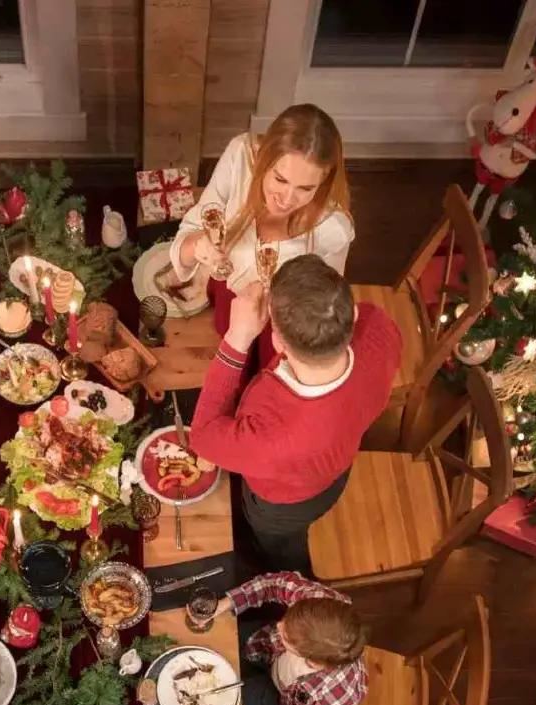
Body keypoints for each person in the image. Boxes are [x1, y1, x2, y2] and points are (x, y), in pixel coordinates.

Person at [188, 255, 401, 573]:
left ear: (276, 342)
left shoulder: (271, 436)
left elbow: (203, 438)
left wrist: (237, 339)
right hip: (335, 470)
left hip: (282, 506)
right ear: (352, 314)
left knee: (280, 547)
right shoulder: (379, 328)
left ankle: (284, 574)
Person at [167, 104, 353, 369]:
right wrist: (197, 246)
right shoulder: (240, 157)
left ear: (324, 182)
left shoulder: (334, 229)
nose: (287, 199)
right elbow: (193, 228)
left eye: (306, 188)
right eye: (279, 179)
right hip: (229, 301)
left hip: (282, 329)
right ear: (263, 158)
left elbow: (326, 306)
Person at [197, 571, 367, 705]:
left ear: (311, 662)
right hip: (265, 647)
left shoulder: (334, 699)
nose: (279, 625)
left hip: (282, 700)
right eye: (287, 619)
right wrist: (227, 603)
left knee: (222, 704)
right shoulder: (319, 604)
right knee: (213, 647)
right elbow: (276, 583)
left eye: (286, 637)